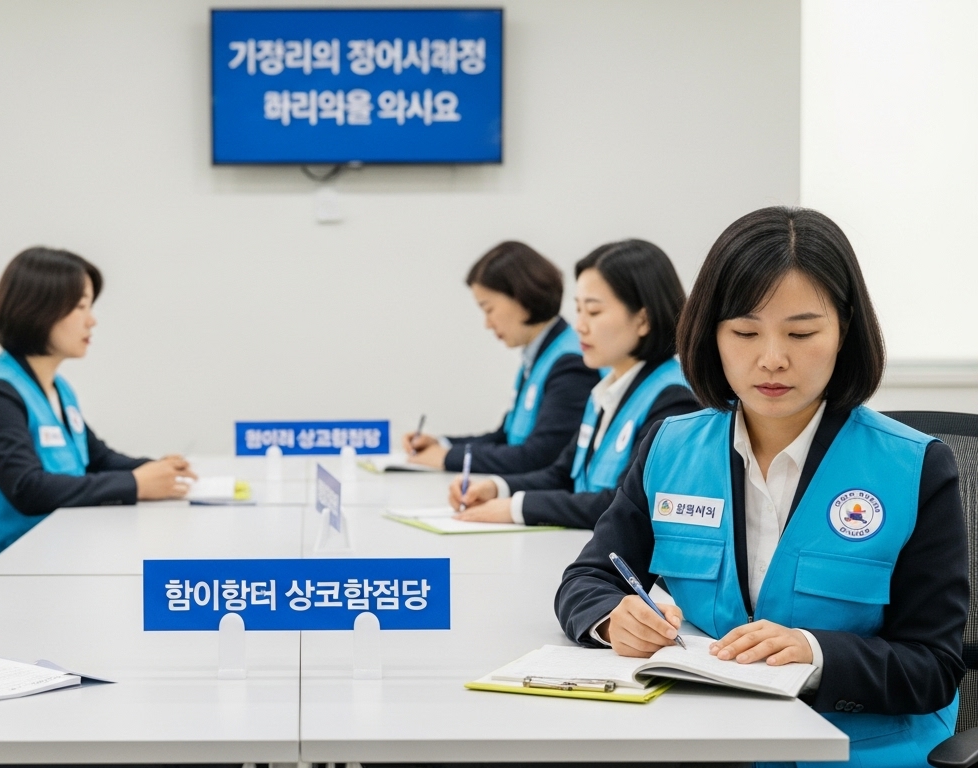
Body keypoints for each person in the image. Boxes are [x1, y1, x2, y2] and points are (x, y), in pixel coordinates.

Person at [555, 207, 965, 766]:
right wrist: (612, 618)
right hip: (710, 740)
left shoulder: (914, 468)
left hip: (856, 749)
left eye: (801, 332)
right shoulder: (671, 448)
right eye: (745, 332)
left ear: (844, 331)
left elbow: (933, 666)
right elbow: (589, 578)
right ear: (712, 335)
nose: (772, 359)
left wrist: (815, 654)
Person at [0, 247, 195, 558]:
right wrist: (135, 483)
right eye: (80, 306)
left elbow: (98, 459)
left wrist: (156, 469)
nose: (92, 320)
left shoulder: (58, 390)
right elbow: (28, 489)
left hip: (52, 545)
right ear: (38, 309)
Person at [450, 240, 698, 529]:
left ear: (643, 320)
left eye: (593, 312)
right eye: (578, 310)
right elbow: (562, 474)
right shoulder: (607, 392)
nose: (579, 325)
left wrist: (518, 508)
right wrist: (497, 488)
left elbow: (623, 504)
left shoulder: (673, 399)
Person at [404, 241, 599, 474]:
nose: (487, 323)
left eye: (488, 309)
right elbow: (505, 437)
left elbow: (539, 456)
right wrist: (442, 444)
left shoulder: (571, 364)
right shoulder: (538, 357)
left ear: (521, 297)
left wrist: (448, 458)